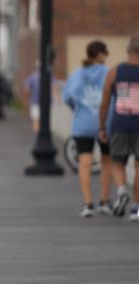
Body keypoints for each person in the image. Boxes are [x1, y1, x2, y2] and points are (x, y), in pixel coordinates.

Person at [63, 40, 113, 217]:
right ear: (100, 54)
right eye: (106, 53)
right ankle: (105, 201)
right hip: (105, 124)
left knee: (85, 163)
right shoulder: (109, 73)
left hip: (82, 124)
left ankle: (87, 204)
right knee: (107, 161)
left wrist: (78, 109)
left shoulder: (77, 74)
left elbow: (67, 97)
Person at [98, 34, 139, 220]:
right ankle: (136, 208)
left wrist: (101, 127)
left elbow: (105, 103)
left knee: (117, 162)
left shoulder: (114, 72)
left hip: (120, 123)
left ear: (127, 50)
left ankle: (122, 190)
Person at [24, 63, 41, 133]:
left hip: (34, 101)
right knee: (38, 119)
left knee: (36, 118)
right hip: (43, 102)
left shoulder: (32, 77)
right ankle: (39, 132)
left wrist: (28, 98)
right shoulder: (49, 76)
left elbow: (27, 89)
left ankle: (38, 132)